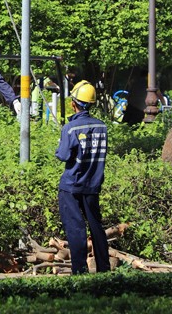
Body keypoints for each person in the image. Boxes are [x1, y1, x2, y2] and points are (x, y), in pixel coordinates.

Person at [56, 80, 111, 274]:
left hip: (71, 186)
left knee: (76, 228)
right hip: (93, 185)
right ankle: (104, 268)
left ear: (74, 103)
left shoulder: (69, 129)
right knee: (96, 226)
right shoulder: (102, 127)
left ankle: (79, 270)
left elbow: (62, 155)